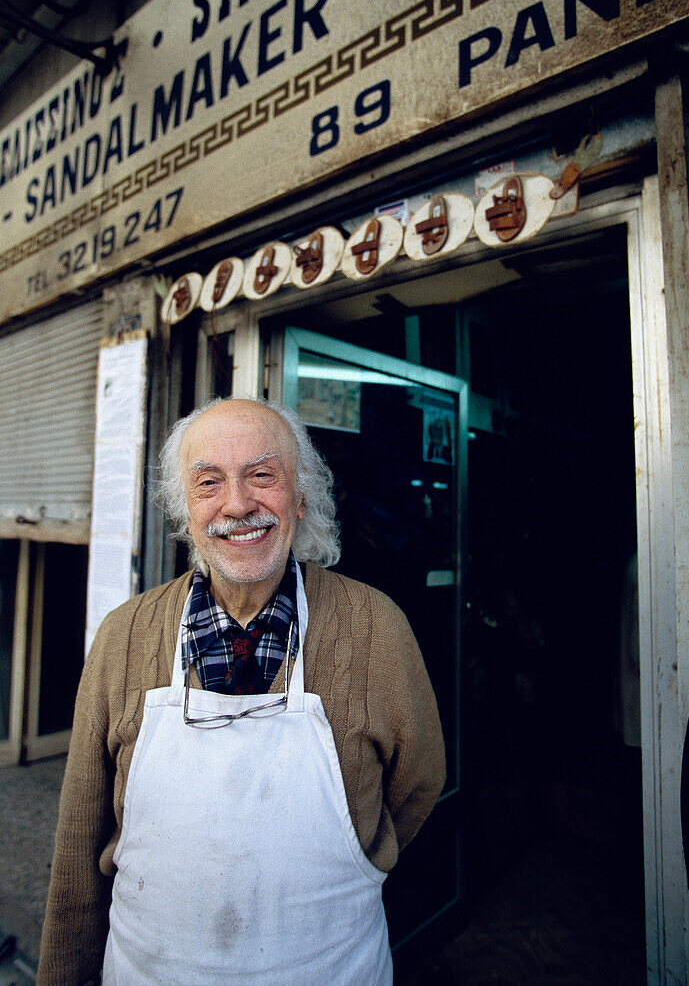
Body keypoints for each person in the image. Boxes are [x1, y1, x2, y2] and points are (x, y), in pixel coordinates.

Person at [37, 397, 445, 985]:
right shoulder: (124, 637)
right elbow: (79, 848)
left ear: (300, 498)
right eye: (209, 483)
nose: (237, 504)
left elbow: (417, 786)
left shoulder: (376, 629)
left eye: (262, 476)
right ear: (186, 510)